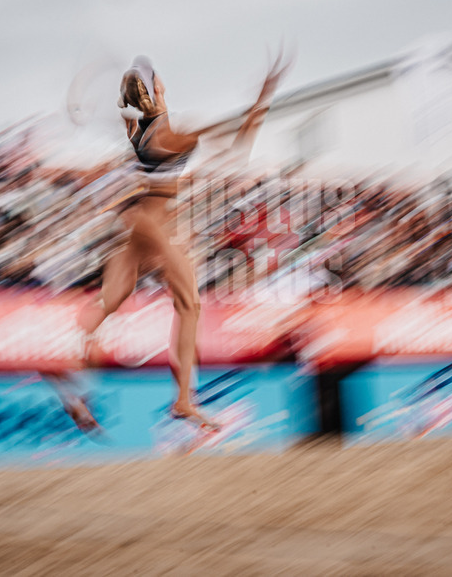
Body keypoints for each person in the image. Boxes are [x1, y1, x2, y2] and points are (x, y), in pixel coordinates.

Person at [51, 52, 291, 434]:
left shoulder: (138, 130)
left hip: (139, 223)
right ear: (158, 87)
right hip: (155, 225)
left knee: (108, 305)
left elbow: (138, 128)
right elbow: (238, 146)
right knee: (189, 304)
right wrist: (263, 98)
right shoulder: (171, 133)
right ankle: (182, 401)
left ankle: (72, 380)